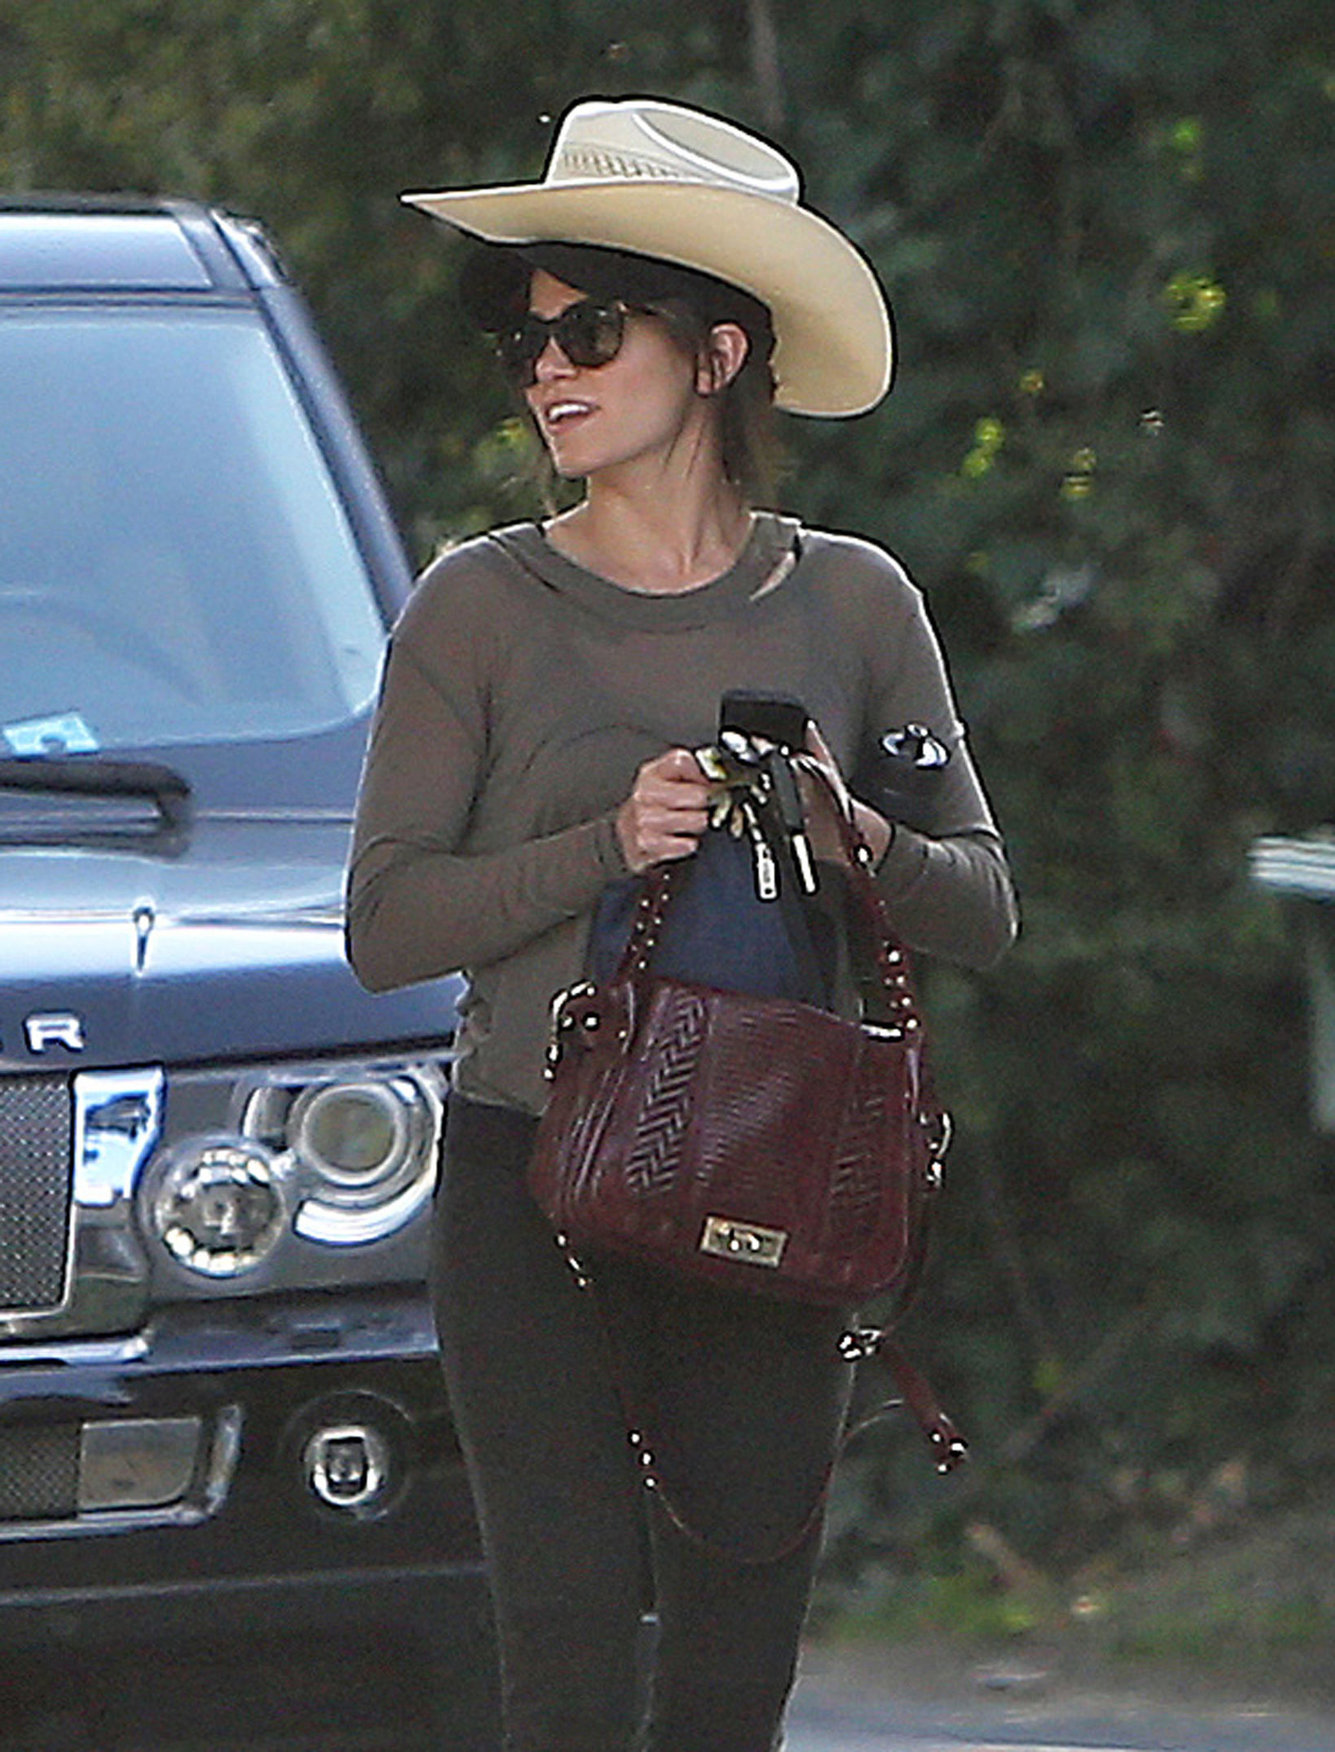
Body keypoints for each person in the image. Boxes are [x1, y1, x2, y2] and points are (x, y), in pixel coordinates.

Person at [346, 95, 1018, 1752]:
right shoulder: (480, 605)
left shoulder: (856, 602)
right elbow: (383, 923)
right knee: (566, 1658)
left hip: (779, 1184)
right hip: (536, 1178)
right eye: (526, 341)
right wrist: (608, 842)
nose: (547, 372)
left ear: (718, 354)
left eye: (589, 329)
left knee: (731, 1681)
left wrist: (856, 834)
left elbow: (986, 904)